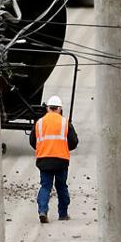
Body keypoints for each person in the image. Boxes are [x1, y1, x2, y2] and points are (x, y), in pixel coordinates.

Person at [29, 95, 79, 224]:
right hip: (61, 160)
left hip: (44, 159)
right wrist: (63, 147)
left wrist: (43, 148)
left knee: (45, 186)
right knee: (61, 186)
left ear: (48, 108)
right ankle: (63, 214)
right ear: (60, 109)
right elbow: (74, 142)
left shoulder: (39, 123)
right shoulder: (64, 122)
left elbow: (33, 141)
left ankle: (42, 211)